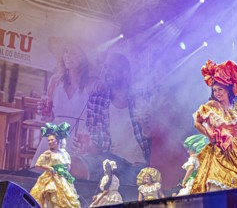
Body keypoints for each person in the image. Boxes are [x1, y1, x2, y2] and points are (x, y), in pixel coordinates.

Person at [70, 52, 151, 201]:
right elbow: (96, 145)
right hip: (109, 158)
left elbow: (156, 135)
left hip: (136, 163)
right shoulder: (97, 100)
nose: (107, 72)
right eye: (105, 67)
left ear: (125, 72)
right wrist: (86, 147)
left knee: (126, 197)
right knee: (73, 165)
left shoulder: (141, 96)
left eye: (112, 68)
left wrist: (146, 122)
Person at [190, 60, 237, 193]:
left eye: (220, 89)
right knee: (216, 181)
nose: (217, 93)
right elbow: (197, 122)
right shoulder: (210, 107)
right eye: (214, 90)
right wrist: (208, 133)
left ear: (228, 89)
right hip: (219, 150)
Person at [31, 37, 96, 168]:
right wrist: (43, 112)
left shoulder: (92, 83)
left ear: (83, 57)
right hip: (54, 134)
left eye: (73, 52)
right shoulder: (55, 81)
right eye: (66, 52)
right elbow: (49, 118)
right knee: (44, 176)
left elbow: (96, 116)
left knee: (67, 177)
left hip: (77, 136)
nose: (67, 56)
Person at [30, 122, 81, 208]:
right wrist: (49, 168)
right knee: (49, 193)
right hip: (50, 177)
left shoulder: (64, 153)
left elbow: (68, 165)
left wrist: (65, 171)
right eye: (48, 140)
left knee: (64, 197)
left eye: (52, 140)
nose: (50, 142)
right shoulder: (48, 153)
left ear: (58, 141)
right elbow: (38, 165)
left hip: (62, 178)